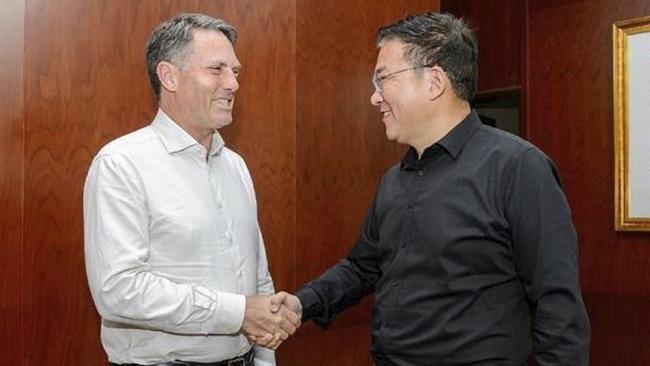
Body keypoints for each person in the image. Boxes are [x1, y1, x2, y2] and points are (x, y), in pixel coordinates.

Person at [273, 11, 590, 366]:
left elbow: (558, 306)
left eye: (383, 79)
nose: (374, 98)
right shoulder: (394, 179)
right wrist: (302, 303)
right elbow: (363, 267)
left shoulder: (518, 168)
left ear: (434, 81)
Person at [84, 13, 299, 366]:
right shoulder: (121, 164)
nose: (233, 84)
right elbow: (119, 290)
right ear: (169, 76)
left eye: (235, 71)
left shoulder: (236, 166)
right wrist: (238, 312)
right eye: (217, 69)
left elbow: (257, 277)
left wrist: (264, 359)